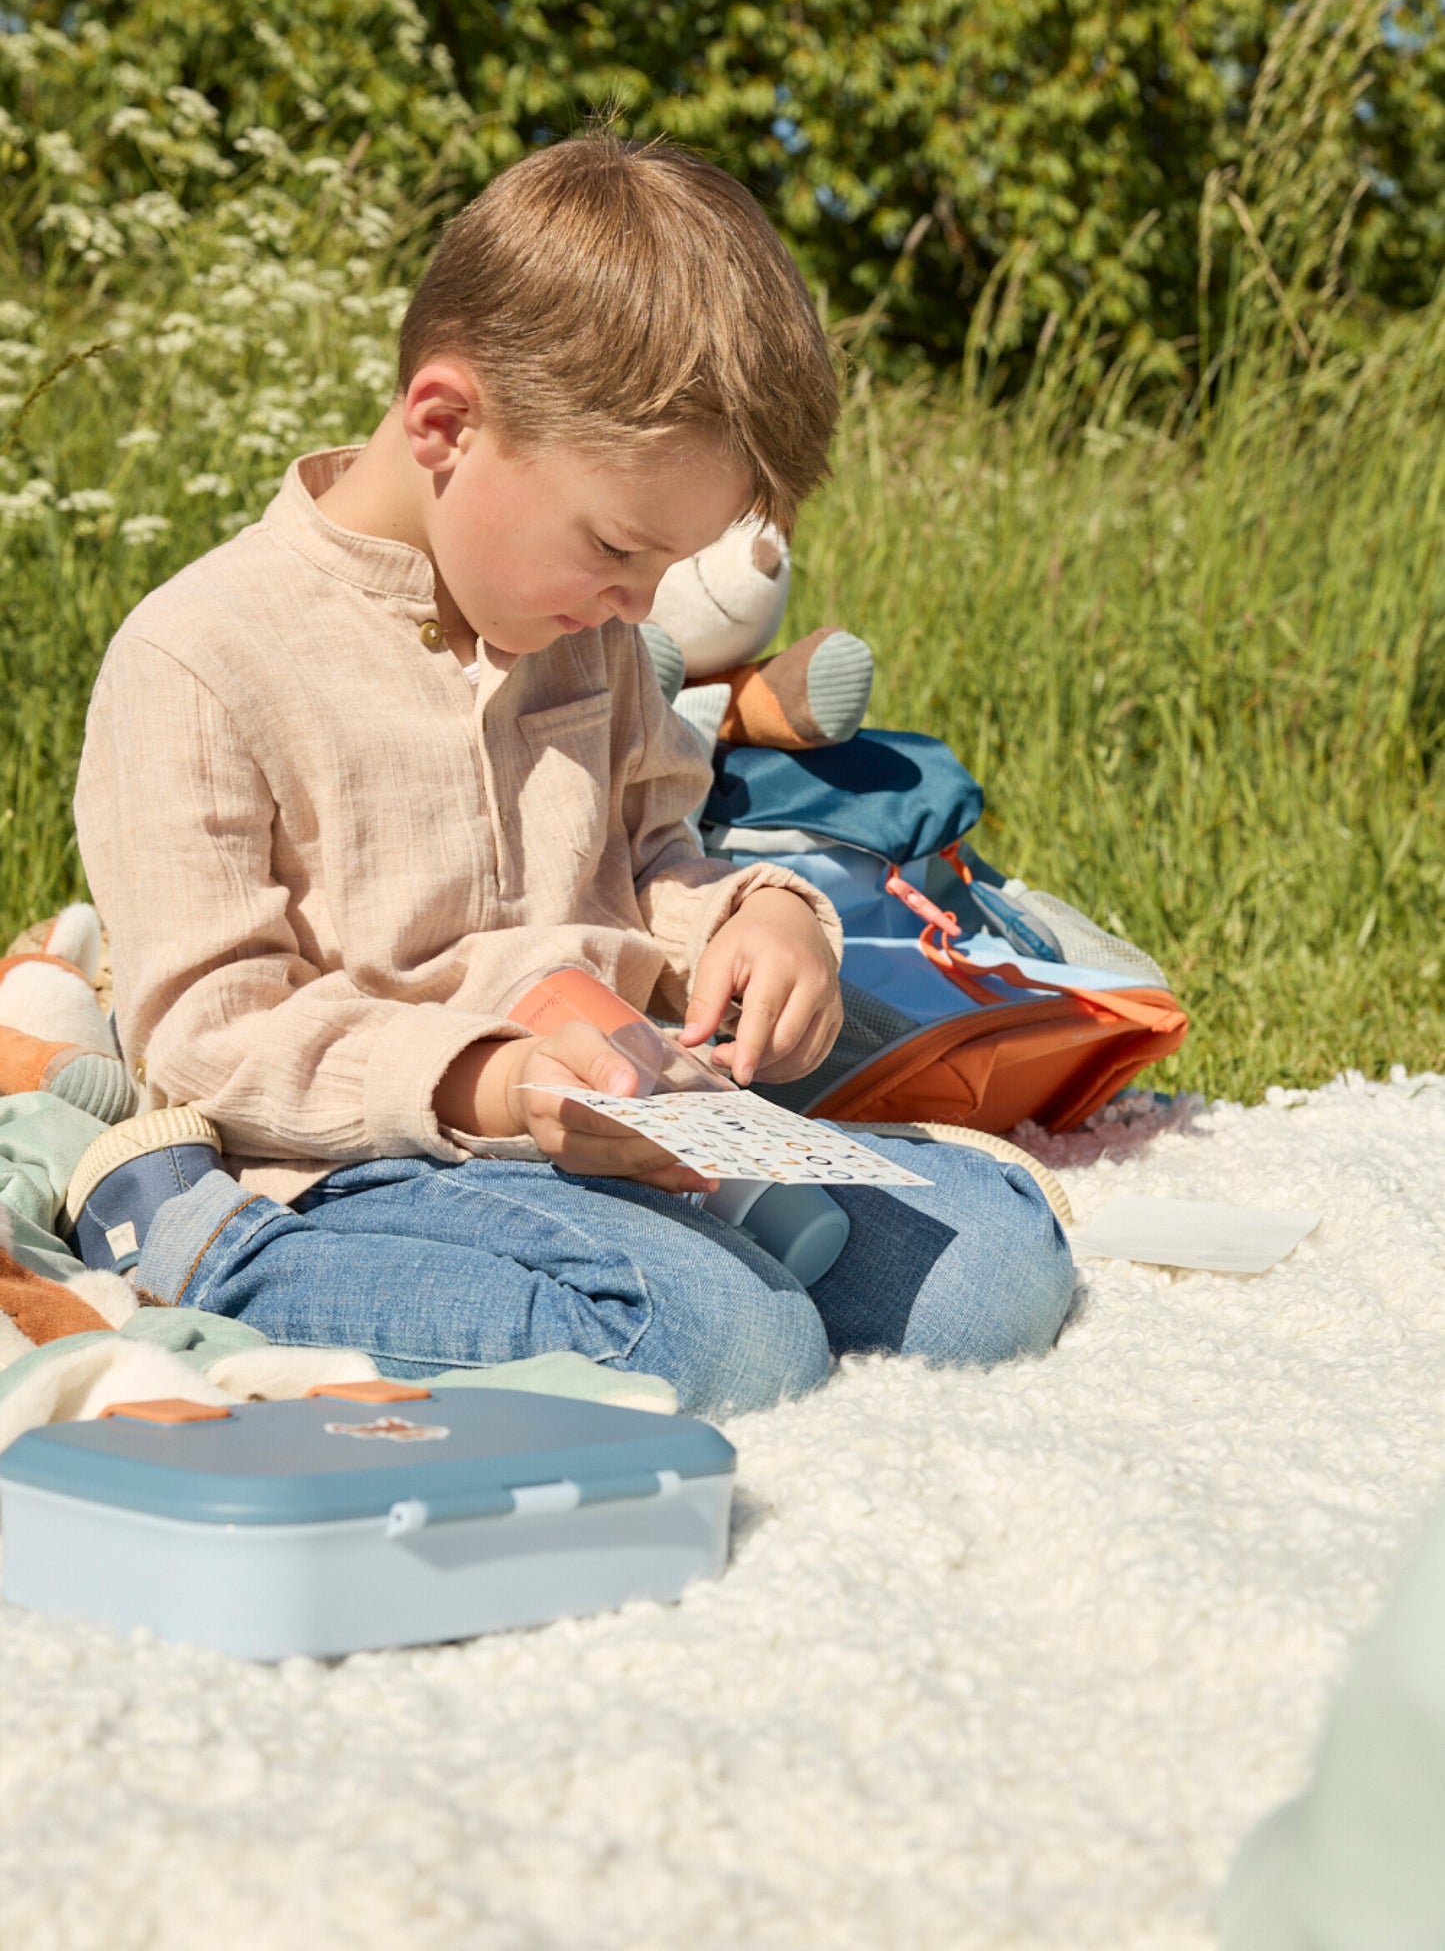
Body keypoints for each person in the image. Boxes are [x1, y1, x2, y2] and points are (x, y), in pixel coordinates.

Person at [71, 135, 1073, 1418]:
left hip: (640, 1107)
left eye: (670, 569)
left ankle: (683, 1245)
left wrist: (758, 918)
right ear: (444, 423)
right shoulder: (199, 657)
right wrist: (493, 1081)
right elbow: (208, 1038)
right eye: (615, 546)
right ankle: (208, 1252)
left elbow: (662, 853)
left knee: (988, 1274)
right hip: (372, 1154)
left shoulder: (591, 635)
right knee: (724, 1339)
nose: (639, 602)